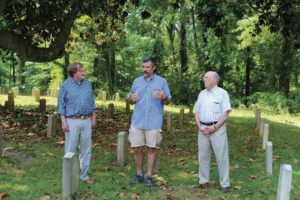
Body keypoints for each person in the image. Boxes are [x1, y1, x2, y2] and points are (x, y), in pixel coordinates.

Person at [128, 56, 171, 187]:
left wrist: (164, 97)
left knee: (152, 149)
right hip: (137, 121)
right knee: (137, 149)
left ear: (154, 67)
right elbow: (129, 99)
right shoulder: (137, 81)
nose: (144, 69)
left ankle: (149, 176)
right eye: (143, 67)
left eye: (147, 67)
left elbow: (168, 100)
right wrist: (131, 98)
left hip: (154, 122)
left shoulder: (162, 82)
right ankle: (139, 174)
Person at [57, 62, 96, 184]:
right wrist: (63, 122)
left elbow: (92, 102)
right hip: (71, 121)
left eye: (83, 70)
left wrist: (94, 117)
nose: (83, 72)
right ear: (74, 72)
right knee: (70, 150)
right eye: (81, 70)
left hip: (87, 121)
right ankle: (68, 175)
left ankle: (84, 175)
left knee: (86, 150)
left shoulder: (88, 84)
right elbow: (61, 105)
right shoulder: (65, 85)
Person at [194, 71, 231, 193]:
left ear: (215, 80)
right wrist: (200, 126)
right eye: (204, 77)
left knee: (221, 157)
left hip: (217, 130)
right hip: (203, 129)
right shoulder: (202, 94)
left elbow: (225, 113)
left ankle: (225, 184)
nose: (204, 79)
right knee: (203, 157)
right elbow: (197, 111)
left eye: (206, 77)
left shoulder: (222, 93)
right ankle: (203, 181)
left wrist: (215, 127)